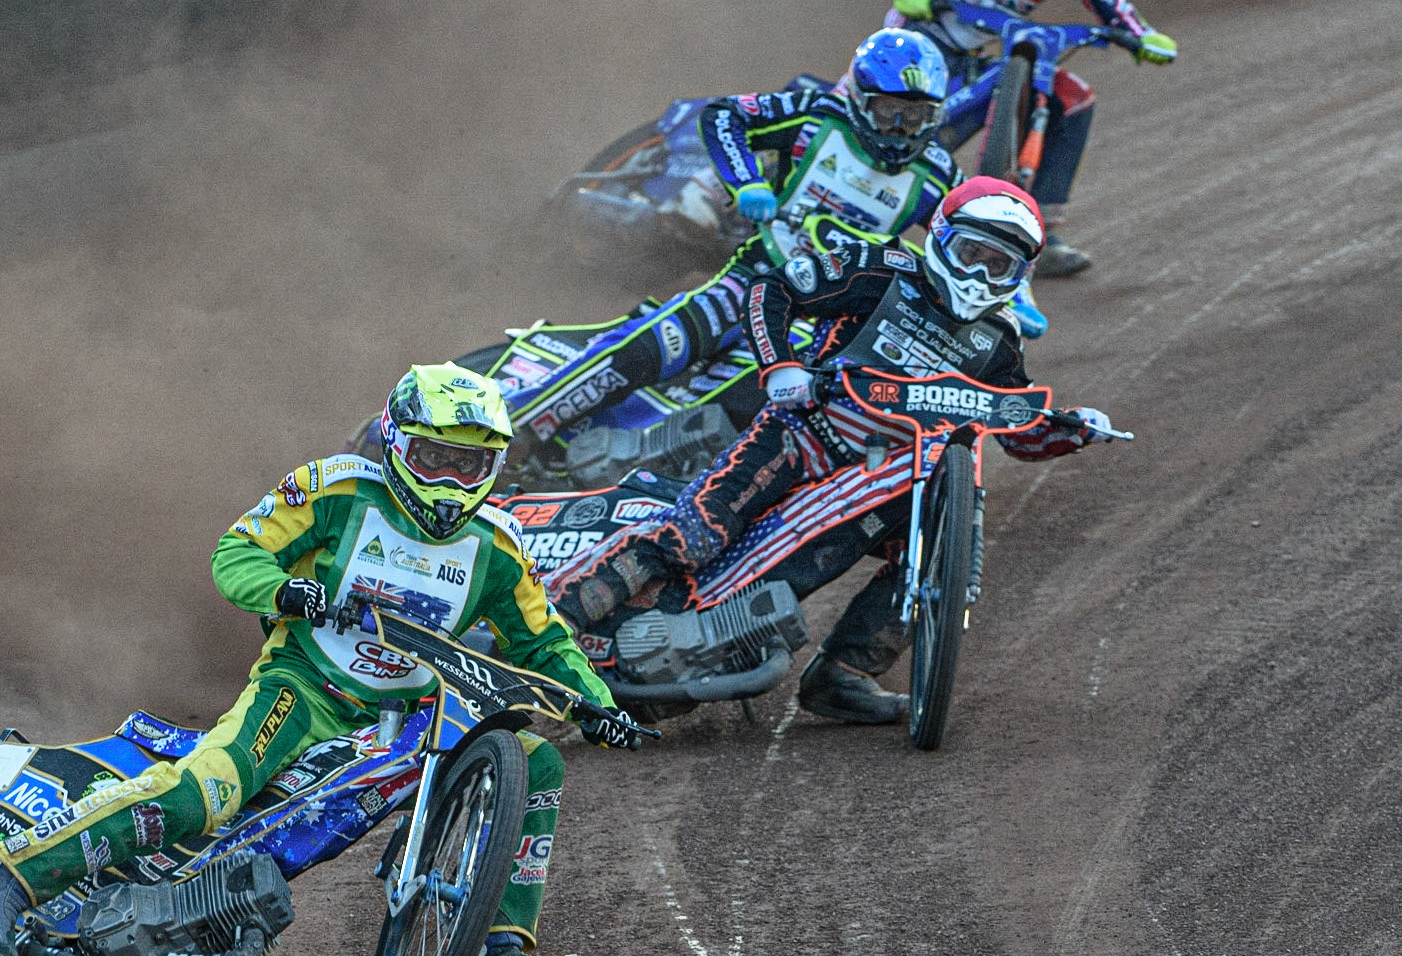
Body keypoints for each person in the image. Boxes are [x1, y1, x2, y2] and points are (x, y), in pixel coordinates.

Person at [0, 364, 640, 956]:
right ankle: (6, 885)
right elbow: (235, 554)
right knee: (207, 793)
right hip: (301, 687)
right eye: (435, 457)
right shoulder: (338, 488)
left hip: (406, 716)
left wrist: (601, 708)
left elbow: (543, 643)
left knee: (537, 758)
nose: (450, 480)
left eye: (469, 464)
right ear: (397, 441)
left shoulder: (495, 545)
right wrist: (285, 590)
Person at [545, 178, 1125, 723]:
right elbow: (770, 288)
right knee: (699, 531)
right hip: (801, 435)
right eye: (972, 252)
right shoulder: (882, 269)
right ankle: (556, 621)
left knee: (930, 559)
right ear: (942, 239)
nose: (979, 273)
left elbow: (1017, 428)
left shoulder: (999, 340)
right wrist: (781, 367)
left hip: (890, 476)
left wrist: (1072, 431)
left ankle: (841, 675)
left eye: (999, 265)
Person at [505, 29, 961, 447]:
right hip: (752, 280)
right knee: (652, 345)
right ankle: (520, 425)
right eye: (890, 111)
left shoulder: (938, 173)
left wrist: (1011, 295)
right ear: (861, 99)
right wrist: (746, 182)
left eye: (919, 115)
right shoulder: (816, 116)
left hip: (822, 324)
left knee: (782, 418)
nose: (902, 128)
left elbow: (980, 231)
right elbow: (725, 115)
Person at [889, 0, 1178, 277]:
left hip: (970, 56)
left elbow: (1110, 5)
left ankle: (1032, 233)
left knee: (1070, 99)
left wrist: (1142, 36)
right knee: (895, 119)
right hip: (916, 47)